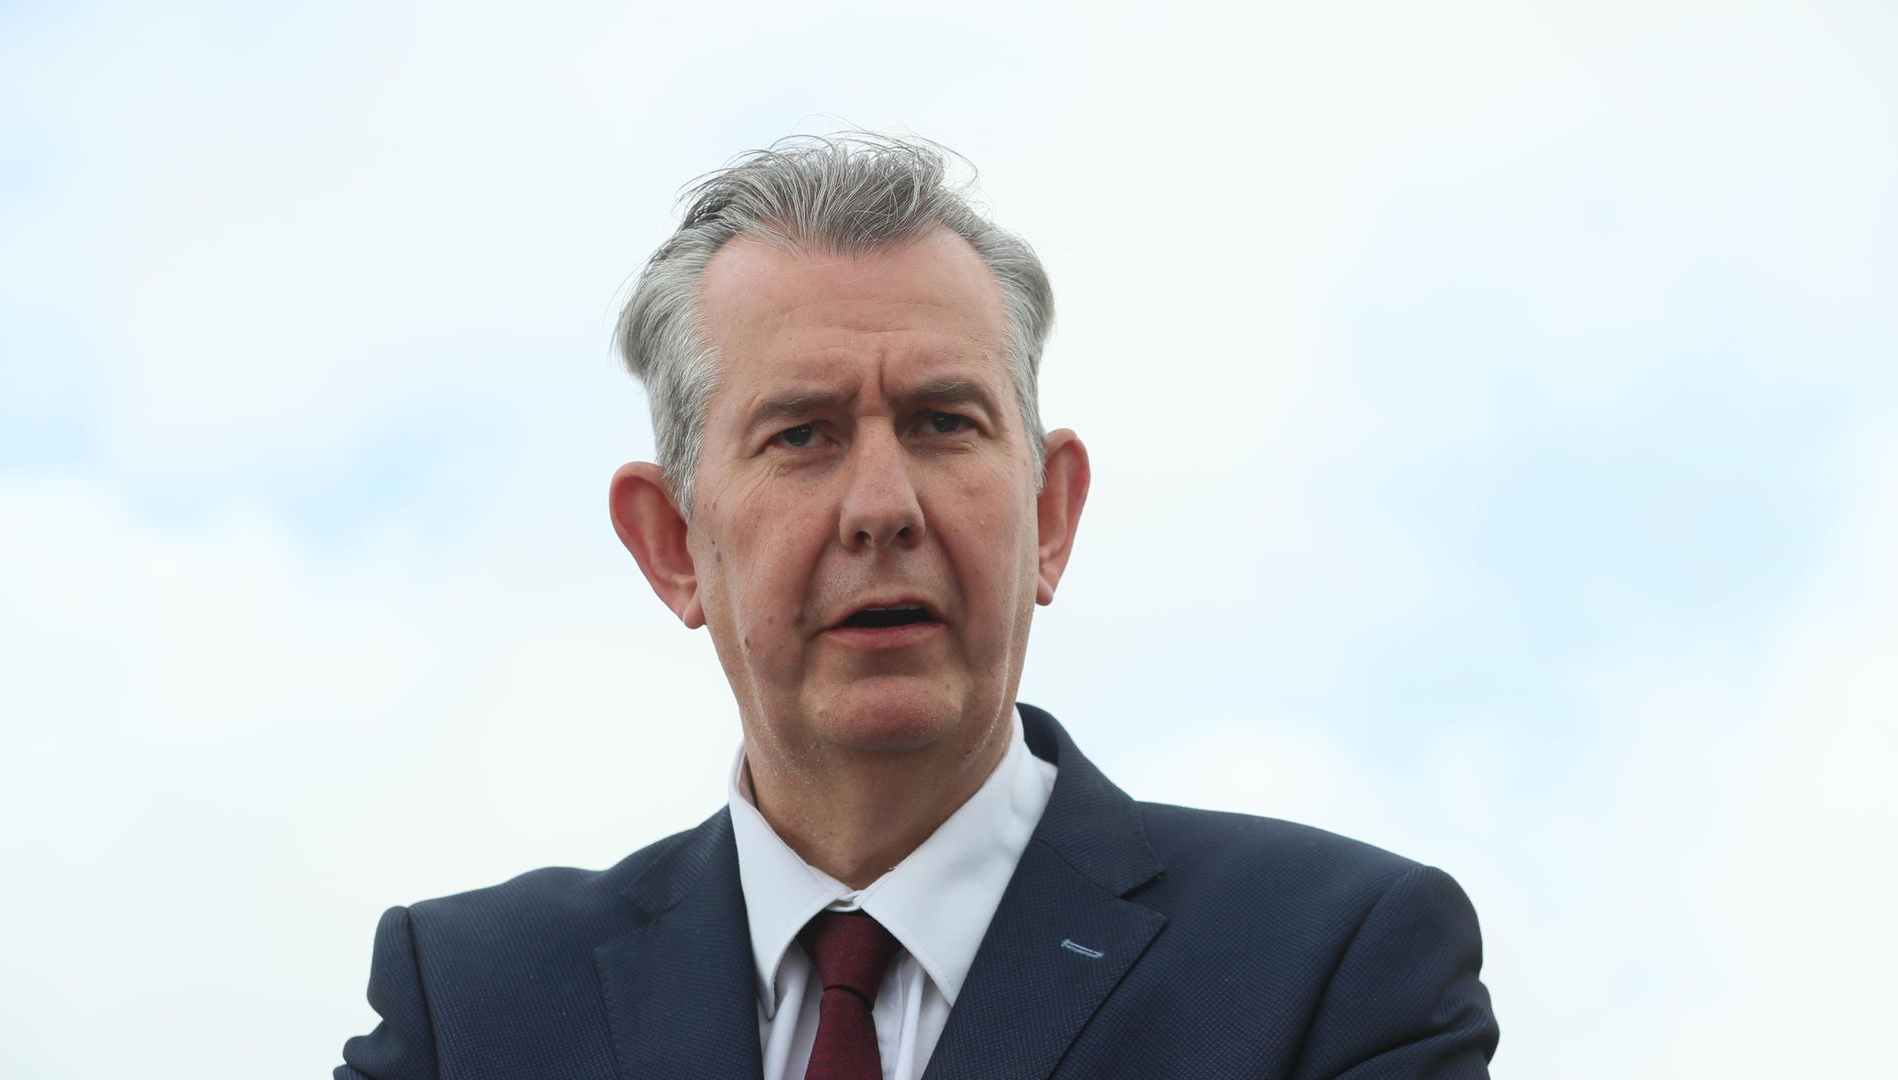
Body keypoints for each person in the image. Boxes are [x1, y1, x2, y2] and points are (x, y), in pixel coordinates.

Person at [336, 134, 1499, 1080]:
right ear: (672, 544)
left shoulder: (1335, 967)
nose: (882, 508)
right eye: (804, 434)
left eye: (944, 422)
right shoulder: (470, 1010)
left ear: (1050, 515)